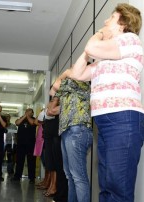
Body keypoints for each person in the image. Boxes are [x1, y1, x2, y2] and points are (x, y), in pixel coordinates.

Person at [70, 3, 144, 202]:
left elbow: (92, 46)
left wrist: (100, 35)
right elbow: (77, 73)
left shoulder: (131, 40)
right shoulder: (106, 59)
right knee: (106, 186)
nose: (105, 21)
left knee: (118, 189)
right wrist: (88, 52)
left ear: (123, 23)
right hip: (105, 122)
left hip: (123, 119)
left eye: (110, 18)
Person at [50, 69, 93, 202]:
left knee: (78, 176)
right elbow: (51, 107)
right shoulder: (68, 91)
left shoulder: (82, 83)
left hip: (77, 129)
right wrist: (58, 97)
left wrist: (67, 72)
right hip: (66, 131)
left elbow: (55, 86)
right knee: (70, 175)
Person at [11, 108, 37, 184]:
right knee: (19, 161)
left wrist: (27, 116)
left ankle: (32, 178)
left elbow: (32, 123)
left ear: (32, 113)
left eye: (30, 111)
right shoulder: (21, 119)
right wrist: (24, 116)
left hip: (31, 143)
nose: (27, 112)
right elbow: (17, 123)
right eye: (27, 111)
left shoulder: (34, 119)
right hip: (21, 143)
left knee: (31, 161)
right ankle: (17, 176)